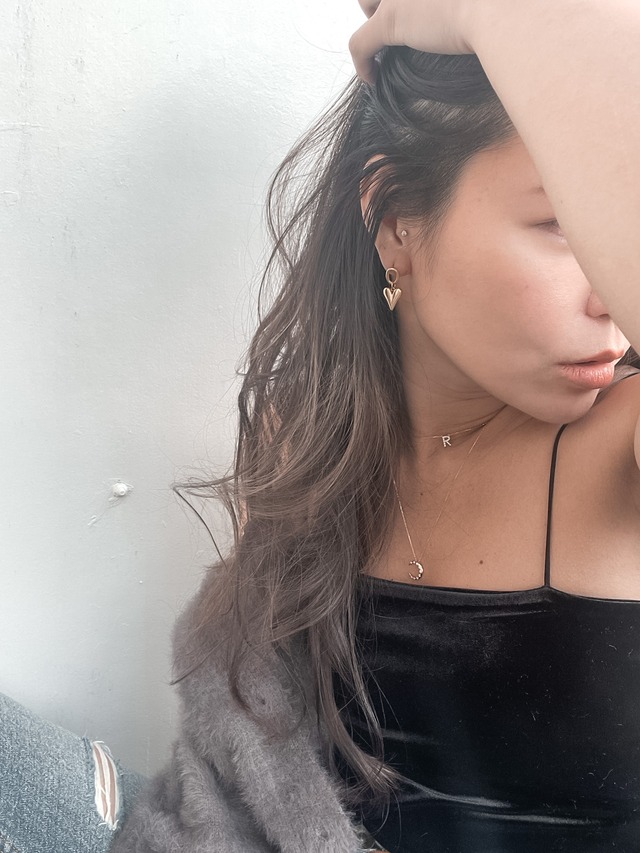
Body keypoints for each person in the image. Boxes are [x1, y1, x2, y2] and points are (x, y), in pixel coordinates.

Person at [3, 0, 640, 851]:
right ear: (396, 218)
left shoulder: (618, 450)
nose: (610, 296)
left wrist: (513, 16)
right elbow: (249, 768)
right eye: (564, 222)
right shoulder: (310, 444)